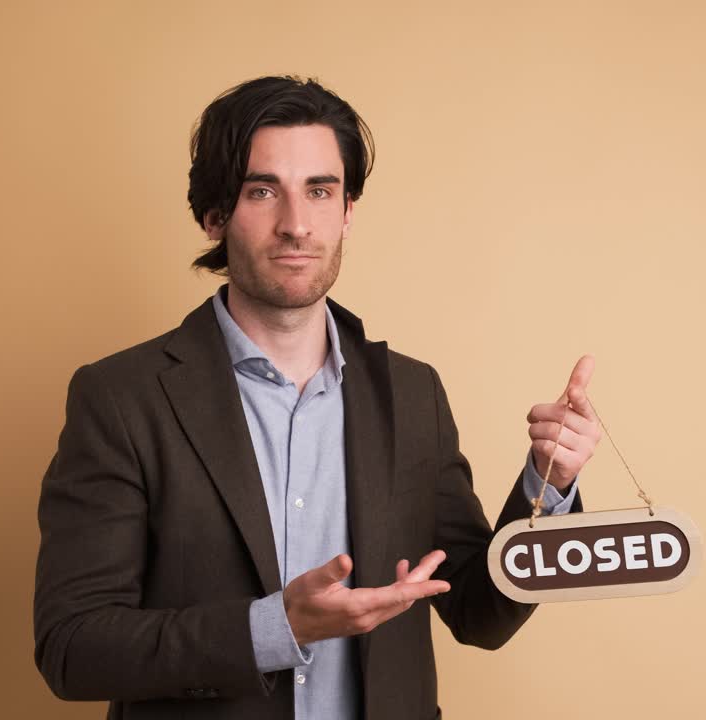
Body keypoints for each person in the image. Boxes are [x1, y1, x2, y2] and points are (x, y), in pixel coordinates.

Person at [33, 75, 603, 720]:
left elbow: (480, 614)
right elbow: (73, 648)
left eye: (320, 190)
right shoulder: (121, 398)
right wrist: (274, 628)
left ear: (347, 211)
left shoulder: (412, 394)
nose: (297, 225)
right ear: (214, 216)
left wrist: (549, 485)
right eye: (262, 191)